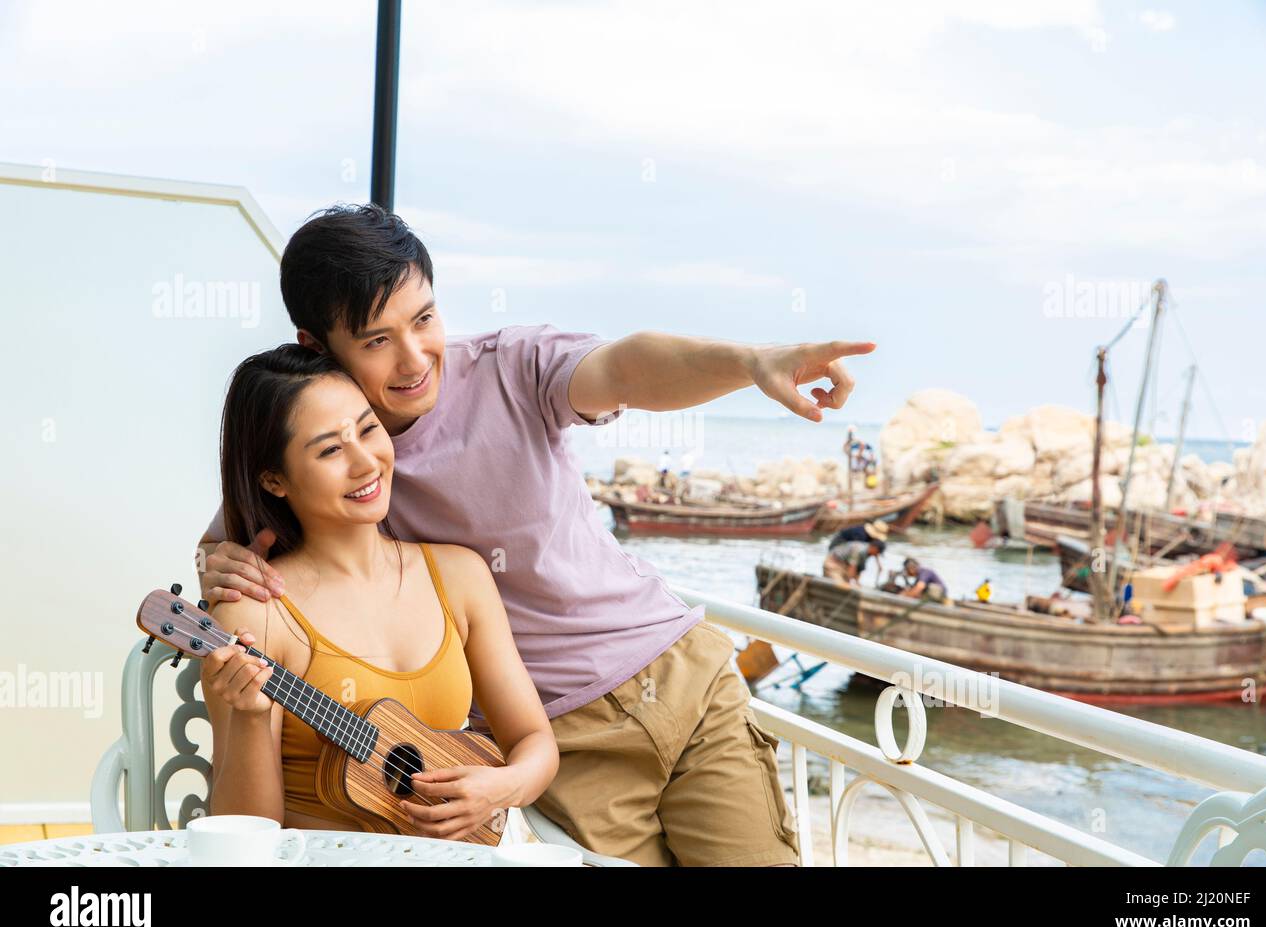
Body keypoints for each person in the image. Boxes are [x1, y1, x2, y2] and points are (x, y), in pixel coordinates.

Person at [196, 203, 876, 867]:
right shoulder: (323, 454)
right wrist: (215, 561)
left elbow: (628, 369)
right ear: (317, 346)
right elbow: (235, 535)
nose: (414, 360)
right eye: (377, 341)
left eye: (424, 319)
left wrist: (751, 363)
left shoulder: (509, 367)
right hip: (564, 742)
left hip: (680, 671)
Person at [202, 345, 558, 839]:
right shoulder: (254, 613)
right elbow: (247, 833)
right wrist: (249, 718)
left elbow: (534, 740)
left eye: (368, 430)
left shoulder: (459, 576)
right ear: (274, 479)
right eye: (330, 449)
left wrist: (502, 787)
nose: (365, 462)